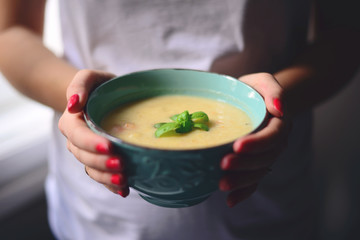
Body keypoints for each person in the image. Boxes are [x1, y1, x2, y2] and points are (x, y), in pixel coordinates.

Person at [0, 0, 359, 239]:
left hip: (268, 207)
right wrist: (79, 100)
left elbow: (345, 35)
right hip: (98, 217)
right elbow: (9, 33)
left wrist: (276, 100)